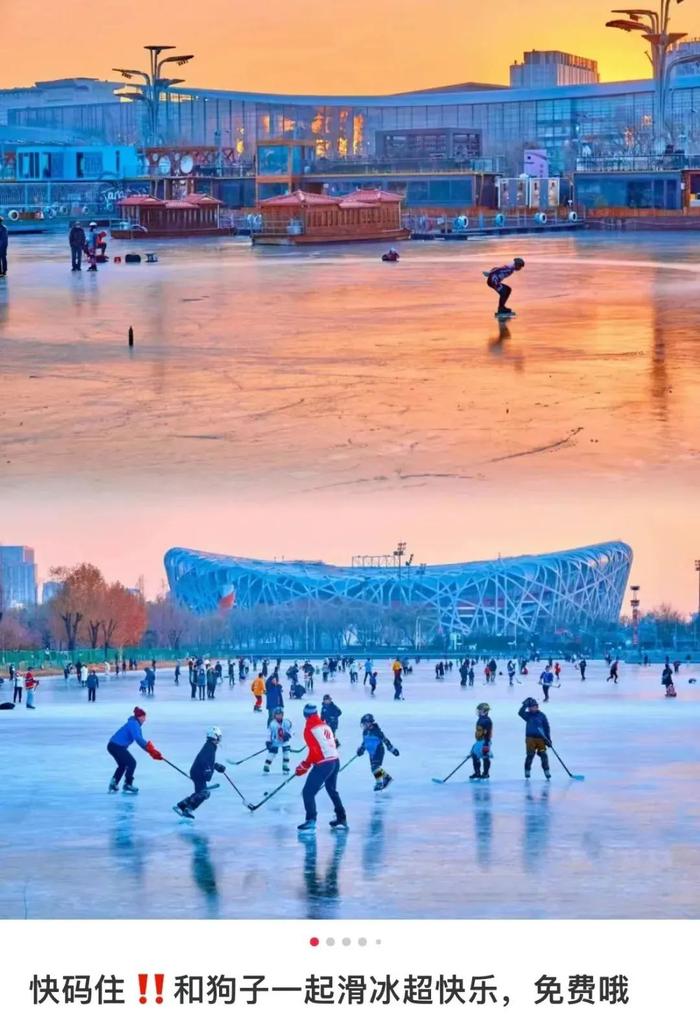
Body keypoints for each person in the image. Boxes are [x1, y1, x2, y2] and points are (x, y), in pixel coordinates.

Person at [295, 703, 347, 833]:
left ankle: (311, 820)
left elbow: (315, 751)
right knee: (331, 790)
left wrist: (304, 765)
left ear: (305, 715)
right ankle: (341, 817)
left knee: (308, 792)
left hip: (324, 763)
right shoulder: (325, 725)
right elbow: (334, 743)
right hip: (335, 760)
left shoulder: (309, 728)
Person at [173, 727, 226, 819]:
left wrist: (216, 766)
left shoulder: (211, 746)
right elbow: (202, 759)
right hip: (198, 773)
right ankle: (189, 809)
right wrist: (207, 770)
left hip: (197, 771)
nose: (220, 739)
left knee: (199, 793)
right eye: (219, 736)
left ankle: (181, 805)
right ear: (214, 736)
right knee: (204, 793)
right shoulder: (209, 746)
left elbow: (207, 760)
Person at [107, 706, 163, 793]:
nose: (145, 720)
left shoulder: (135, 724)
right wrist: (151, 750)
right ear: (139, 717)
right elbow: (138, 739)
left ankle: (114, 783)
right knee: (131, 763)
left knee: (123, 765)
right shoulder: (134, 724)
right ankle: (128, 784)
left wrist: (151, 752)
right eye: (143, 717)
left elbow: (140, 740)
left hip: (113, 746)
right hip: (116, 746)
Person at [357, 713, 399, 792]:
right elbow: (365, 742)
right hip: (371, 752)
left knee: (374, 767)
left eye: (365, 723)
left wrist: (393, 750)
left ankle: (382, 780)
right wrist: (361, 750)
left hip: (378, 751)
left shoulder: (377, 731)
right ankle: (383, 780)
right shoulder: (365, 732)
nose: (364, 725)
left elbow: (386, 741)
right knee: (374, 768)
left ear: (369, 723)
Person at [518, 698, 552, 780]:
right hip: (530, 739)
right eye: (529, 707)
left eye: (532, 707)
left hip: (541, 739)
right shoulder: (528, 715)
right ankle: (527, 770)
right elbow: (520, 713)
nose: (530, 708)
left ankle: (546, 771)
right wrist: (524, 705)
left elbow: (546, 728)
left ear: (537, 707)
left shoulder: (542, 716)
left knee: (543, 755)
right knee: (530, 755)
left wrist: (548, 739)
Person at [264, 707, 293, 774]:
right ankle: (266, 765)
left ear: (282, 715)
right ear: (275, 715)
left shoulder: (286, 722)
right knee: (272, 753)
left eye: (280, 714)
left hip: (285, 741)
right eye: (277, 715)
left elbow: (292, 730)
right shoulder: (272, 724)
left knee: (286, 753)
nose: (279, 716)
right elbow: (269, 733)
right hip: (275, 741)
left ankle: (285, 765)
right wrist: (268, 741)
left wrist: (288, 735)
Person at [470, 702, 493, 780]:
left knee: (485, 756)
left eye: (480, 710)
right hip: (479, 741)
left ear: (485, 711)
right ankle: (477, 772)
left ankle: (485, 773)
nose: (478, 712)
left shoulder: (487, 721)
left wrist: (486, 744)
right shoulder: (481, 719)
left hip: (484, 741)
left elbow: (487, 733)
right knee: (474, 755)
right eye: (478, 710)